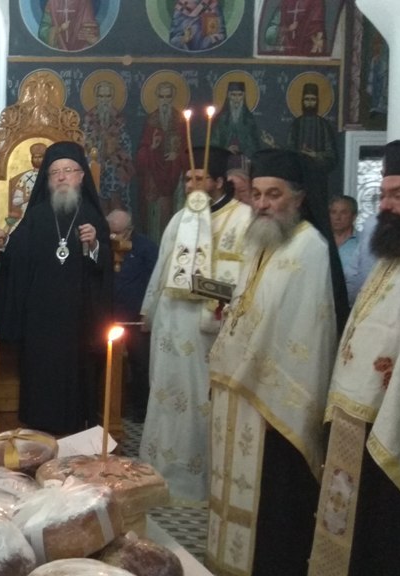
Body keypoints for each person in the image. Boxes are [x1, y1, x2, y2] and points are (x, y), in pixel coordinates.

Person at [206, 149, 348, 576]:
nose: (263, 204)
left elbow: (306, 332)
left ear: (299, 198)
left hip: (276, 402)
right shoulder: (261, 240)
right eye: (257, 194)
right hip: (241, 390)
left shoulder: (310, 247)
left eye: (274, 194)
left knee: (275, 502)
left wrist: (259, 382)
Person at [310, 139, 400, 576]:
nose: (387, 206)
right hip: (359, 418)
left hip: (394, 423)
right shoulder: (396, 255)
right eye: (384, 195)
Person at [138, 146, 252, 502]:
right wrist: (149, 311)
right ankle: (159, 473)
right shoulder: (180, 218)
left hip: (206, 330)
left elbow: (245, 282)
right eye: (187, 179)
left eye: (199, 178)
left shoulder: (243, 220)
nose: (191, 186)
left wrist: (201, 287)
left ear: (219, 181)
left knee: (198, 401)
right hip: (170, 325)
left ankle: (195, 483)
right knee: (164, 393)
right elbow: (162, 268)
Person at [0, 141, 112, 435]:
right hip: (40, 317)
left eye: (68, 170)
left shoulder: (92, 216)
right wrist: (4, 242)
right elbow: (17, 257)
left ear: (81, 176)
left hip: (79, 318)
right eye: (55, 172)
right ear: (48, 179)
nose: (62, 177)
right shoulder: (37, 215)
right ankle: (37, 427)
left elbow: (105, 267)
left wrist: (94, 245)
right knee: (40, 372)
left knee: (76, 374)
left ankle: (77, 428)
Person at [106, 209, 156, 423]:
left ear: (129, 230)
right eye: (111, 232)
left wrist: (148, 313)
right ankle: (107, 408)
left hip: (136, 317)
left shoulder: (146, 247)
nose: (115, 237)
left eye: (119, 233)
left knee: (140, 363)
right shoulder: (104, 245)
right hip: (109, 316)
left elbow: (154, 281)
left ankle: (140, 411)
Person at [135, 81, 189, 241]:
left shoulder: (180, 120)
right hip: (154, 176)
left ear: (172, 98)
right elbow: (141, 153)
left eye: (168, 96)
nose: (165, 101)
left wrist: (177, 156)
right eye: (161, 96)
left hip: (175, 174)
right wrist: (152, 147)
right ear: (157, 98)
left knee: (172, 210)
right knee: (155, 216)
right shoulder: (151, 121)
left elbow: (187, 150)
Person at [83, 80, 135, 212]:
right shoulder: (90, 119)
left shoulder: (119, 119)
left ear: (112, 97)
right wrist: (96, 158)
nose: (104, 100)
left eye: (107, 96)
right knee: (99, 202)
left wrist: (113, 150)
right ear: (96, 97)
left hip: (116, 167)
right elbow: (85, 144)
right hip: (96, 167)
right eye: (101, 96)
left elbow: (127, 144)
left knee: (116, 201)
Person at [287, 82, 338, 174]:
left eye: (313, 99)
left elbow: (331, 155)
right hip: (299, 174)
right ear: (302, 101)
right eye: (307, 99)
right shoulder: (296, 124)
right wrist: (301, 153)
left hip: (318, 174)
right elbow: (289, 150)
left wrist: (315, 155)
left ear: (317, 101)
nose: (310, 103)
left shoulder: (323, 124)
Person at [214, 81, 267, 158]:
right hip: (224, 158)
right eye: (233, 95)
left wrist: (242, 148)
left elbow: (254, 145)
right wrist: (226, 149)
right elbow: (214, 144)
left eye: (240, 95)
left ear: (243, 96)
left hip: (244, 159)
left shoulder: (249, 119)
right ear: (228, 96)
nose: (236, 99)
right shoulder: (221, 119)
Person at [5, 142, 46, 232]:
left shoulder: (50, 176)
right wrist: (27, 198)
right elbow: (15, 201)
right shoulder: (25, 177)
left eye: (40, 157)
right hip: (26, 216)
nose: (37, 160)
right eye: (35, 157)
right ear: (32, 159)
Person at [330, 195, 359, 298]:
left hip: (350, 300)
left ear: (354, 216)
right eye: (333, 212)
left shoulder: (361, 244)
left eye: (343, 212)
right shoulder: (320, 241)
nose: (337, 218)